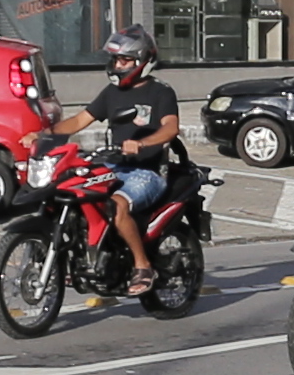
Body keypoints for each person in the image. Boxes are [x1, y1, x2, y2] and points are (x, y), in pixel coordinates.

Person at [47, 27, 194, 290]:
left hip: (147, 172)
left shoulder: (160, 92)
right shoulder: (111, 93)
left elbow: (171, 128)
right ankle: (83, 258)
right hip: (113, 165)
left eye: (124, 60)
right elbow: (80, 120)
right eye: (115, 60)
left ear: (141, 61)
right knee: (74, 193)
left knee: (116, 205)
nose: (117, 65)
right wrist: (43, 134)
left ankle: (143, 266)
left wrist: (141, 143)